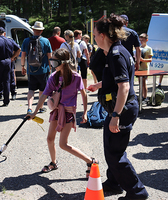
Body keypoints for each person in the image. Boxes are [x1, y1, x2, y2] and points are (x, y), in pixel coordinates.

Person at [88, 14, 149, 200]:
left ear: (103, 35)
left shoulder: (116, 54)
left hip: (122, 109)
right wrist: (98, 86)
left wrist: (116, 115)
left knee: (115, 153)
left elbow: (124, 86)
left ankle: (137, 192)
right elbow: (117, 80)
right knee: (111, 148)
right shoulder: (116, 51)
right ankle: (114, 183)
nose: (94, 37)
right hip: (118, 108)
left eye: (95, 34)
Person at [26, 48, 97, 177]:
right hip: (56, 110)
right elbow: (43, 96)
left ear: (63, 63)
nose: (52, 65)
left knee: (63, 144)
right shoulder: (54, 77)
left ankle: (90, 161)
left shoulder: (76, 77)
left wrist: (85, 112)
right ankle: (53, 163)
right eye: (52, 62)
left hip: (69, 112)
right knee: (49, 139)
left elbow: (84, 94)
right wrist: (34, 112)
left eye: (54, 62)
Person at [21, 21, 52, 114]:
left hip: (31, 70)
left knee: (31, 90)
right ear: (41, 31)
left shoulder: (26, 41)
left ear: (33, 30)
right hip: (43, 70)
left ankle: (29, 108)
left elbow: (23, 56)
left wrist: (23, 66)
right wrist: (50, 68)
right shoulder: (46, 41)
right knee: (42, 90)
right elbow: (50, 56)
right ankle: (40, 107)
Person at [0, 27, 21, 107]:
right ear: (4, 33)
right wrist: (13, 58)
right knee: (6, 81)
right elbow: (18, 49)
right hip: (8, 61)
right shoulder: (10, 40)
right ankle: (6, 101)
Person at [138, 33, 153, 104]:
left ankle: (145, 97)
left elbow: (150, 59)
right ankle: (140, 96)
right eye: (140, 40)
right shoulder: (138, 48)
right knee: (139, 83)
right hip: (138, 68)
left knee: (143, 83)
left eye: (142, 40)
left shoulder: (149, 48)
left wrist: (143, 60)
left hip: (145, 68)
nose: (141, 41)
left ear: (146, 40)